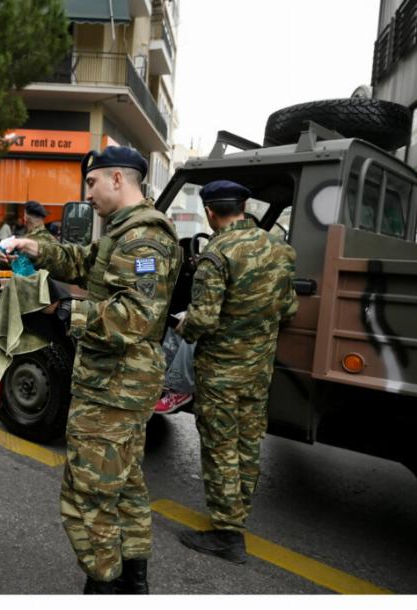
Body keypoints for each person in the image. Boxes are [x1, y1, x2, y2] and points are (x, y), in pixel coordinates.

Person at [0, 146, 180, 594]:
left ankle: (104, 585)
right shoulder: (122, 231)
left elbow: (136, 315)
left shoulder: (143, 240)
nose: (88, 192)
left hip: (114, 386)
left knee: (89, 494)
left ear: (118, 179)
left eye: (93, 182)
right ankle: (132, 581)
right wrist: (35, 248)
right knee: (126, 484)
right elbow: (83, 262)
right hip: (120, 383)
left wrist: (68, 314)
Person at [175, 180, 298, 564]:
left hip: (221, 373)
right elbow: (289, 309)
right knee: (247, 444)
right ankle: (238, 512)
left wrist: (182, 324)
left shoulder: (217, 255)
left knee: (220, 447)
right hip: (258, 370)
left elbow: (203, 321)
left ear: (210, 213)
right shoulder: (280, 250)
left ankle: (227, 534)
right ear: (245, 207)